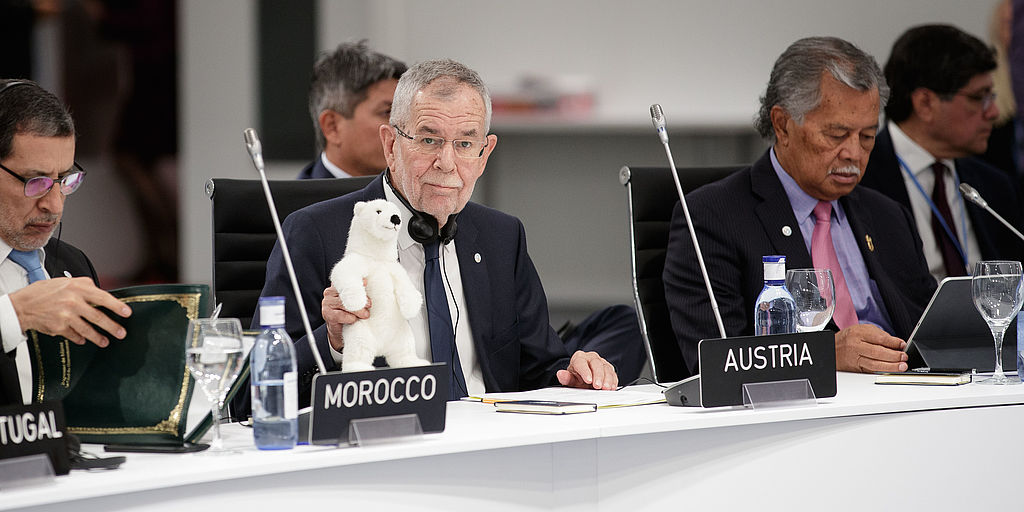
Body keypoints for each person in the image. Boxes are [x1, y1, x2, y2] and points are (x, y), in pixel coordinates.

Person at [259, 59, 621, 403]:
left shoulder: (501, 237)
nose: (447, 164)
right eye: (429, 140)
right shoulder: (316, 232)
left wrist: (571, 377)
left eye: (465, 143)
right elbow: (255, 394)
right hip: (382, 452)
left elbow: (539, 368)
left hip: (492, 446)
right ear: (390, 144)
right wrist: (333, 341)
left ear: (485, 152)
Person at [663, 37, 936, 376]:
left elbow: (933, 335)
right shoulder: (711, 217)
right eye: (837, 135)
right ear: (783, 124)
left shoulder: (888, 216)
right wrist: (824, 355)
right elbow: (716, 362)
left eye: (867, 136)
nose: (854, 153)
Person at [0, 79, 131, 406]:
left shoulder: (71, 264)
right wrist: (15, 314)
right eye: (36, 182)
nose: (54, 205)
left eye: (64, 180)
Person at [859, 24, 1024, 281]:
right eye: (978, 98)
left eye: (991, 97)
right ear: (925, 103)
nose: (992, 112)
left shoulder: (994, 186)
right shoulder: (859, 179)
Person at [298, 41, 407, 179]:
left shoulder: (423, 195)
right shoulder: (285, 201)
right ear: (333, 127)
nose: (406, 128)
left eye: (407, 112)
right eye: (387, 112)